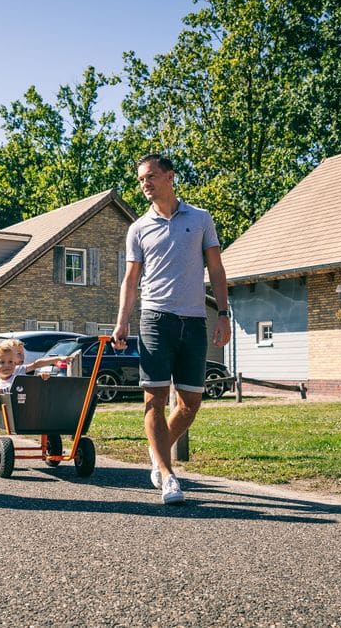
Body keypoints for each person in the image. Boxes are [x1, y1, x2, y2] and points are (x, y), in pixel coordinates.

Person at [112, 154, 231, 505]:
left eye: (150, 177)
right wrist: (122, 322)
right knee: (155, 399)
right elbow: (131, 280)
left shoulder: (200, 219)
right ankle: (167, 475)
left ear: (169, 177)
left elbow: (218, 270)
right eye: (140, 179)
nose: (144, 184)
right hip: (155, 319)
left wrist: (223, 314)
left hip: (194, 319)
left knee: (191, 402)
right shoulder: (138, 228)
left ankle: (157, 450)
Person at [0, 341, 73, 412]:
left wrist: (40, 378)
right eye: (2, 362)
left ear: (14, 363)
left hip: (27, 411)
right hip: (11, 415)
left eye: (10, 362)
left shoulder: (18, 374)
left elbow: (36, 365)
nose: (7, 366)